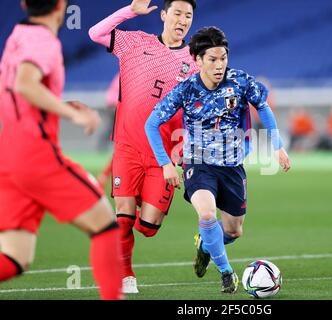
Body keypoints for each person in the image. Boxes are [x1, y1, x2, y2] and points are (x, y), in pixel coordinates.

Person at [145, 27, 291, 293]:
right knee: (207, 213)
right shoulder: (186, 90)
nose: (219, 65)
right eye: (212, 59)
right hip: (198, 164)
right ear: (197, 60)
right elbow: (152, 124)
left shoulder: (240, 81)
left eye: (223, 58)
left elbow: (263, 106)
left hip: (232, 167)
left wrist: (277, 146)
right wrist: (165, 163)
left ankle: (205, 245)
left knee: (234, 231)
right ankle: (226, 273)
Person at [0, 0, 123, 300]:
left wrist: (58, 108)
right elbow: (25, 84)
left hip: (9, 155)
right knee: (106, 226)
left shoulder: (17, 36)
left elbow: (20, 95)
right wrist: (73, 115)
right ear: (60, 6)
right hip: (35, 156)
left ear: (24, 4)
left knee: (16, 258)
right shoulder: (44, 40)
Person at [89, 0, 199, 293]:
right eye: (177, 13)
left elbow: (192, 114)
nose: (182, 20)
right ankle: (125, 274)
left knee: (148, 227)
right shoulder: (134, 42)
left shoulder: (195, 61)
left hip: (162, 156)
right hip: (126, 147)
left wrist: (186, 156)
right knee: (123, 215)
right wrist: (130, 11)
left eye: (188, 16)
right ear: (163, 15)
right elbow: (95, 34)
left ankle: (137, 205)